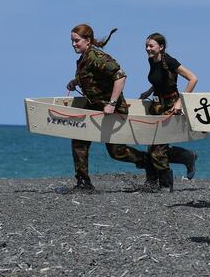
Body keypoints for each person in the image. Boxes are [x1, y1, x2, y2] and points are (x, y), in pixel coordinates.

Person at [64, 24, 150, 192]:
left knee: (117, 152)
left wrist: (111, 103)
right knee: (79, 141)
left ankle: (150, 164)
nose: (74, 44)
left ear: (87, 40)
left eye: (76, 41)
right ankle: (83, 183)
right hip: (94, 108)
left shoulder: (97, 56)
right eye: (72, 41)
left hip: (112, 110)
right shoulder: (84, 58)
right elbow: (92, 78)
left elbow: (120, 76)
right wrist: (75, 82)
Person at [138, 33, 199, 192]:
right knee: (152, 146)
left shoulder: (169, 61)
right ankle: (186, 157)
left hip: (171, 105)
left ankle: (166, 185)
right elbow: (158, 80)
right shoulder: (151, 60)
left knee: (158, 148)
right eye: (146, 46)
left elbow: (193, 78)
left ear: (161, 47)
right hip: (157, 105)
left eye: (151, 46)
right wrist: (148, 91)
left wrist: (180, 102)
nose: (148, 49)